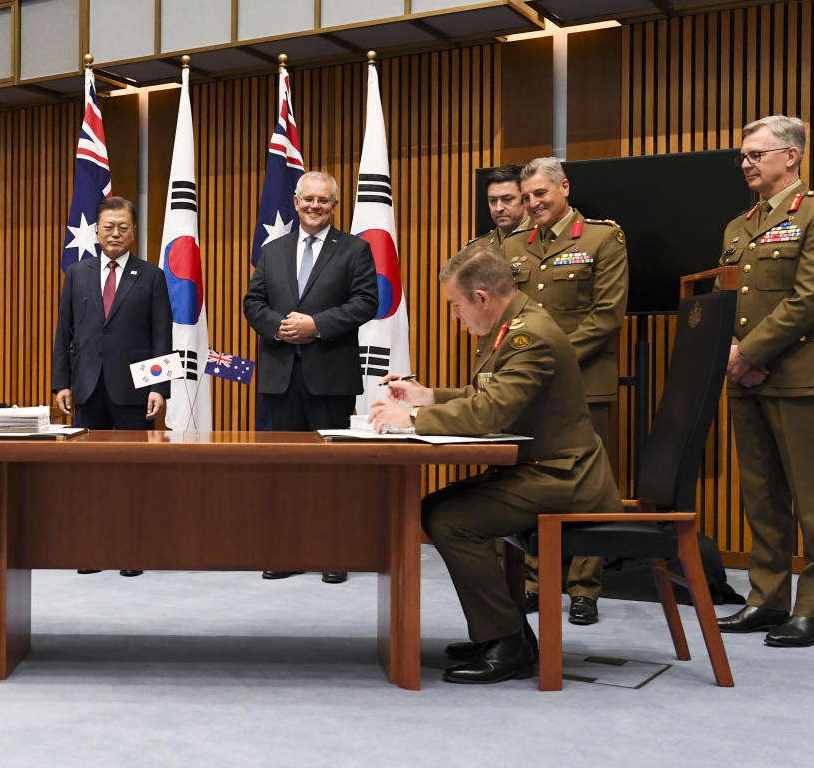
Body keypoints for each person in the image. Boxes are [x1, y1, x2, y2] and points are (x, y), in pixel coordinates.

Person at [369, 244, 621, 684]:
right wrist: (426, 396)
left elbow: (490, 414)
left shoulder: (530, 335)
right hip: (539, 469)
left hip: (564, 476)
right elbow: (486, 396)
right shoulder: (511, 327)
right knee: (435, 509)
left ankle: (508, 640)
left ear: (482, 298)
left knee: (449, 518)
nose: (454, 316)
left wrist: (411, 419)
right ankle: (501, 632)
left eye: (456, 305)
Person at [715, 115, 814, 648]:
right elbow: (729, 299)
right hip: (745, 378)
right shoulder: (737, 225)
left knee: (813, 500)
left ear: (790, 156)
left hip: (800, 376)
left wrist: (748, 353)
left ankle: (813, 610)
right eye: (743, 156)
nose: (746, 163)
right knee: (762, 495)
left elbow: (813, 297)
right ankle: (767, 599)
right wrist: (732, 355)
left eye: (756, 154)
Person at [498, 156, 628, 625]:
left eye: (540, 194)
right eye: (526, 196)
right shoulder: (513, 245)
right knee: (532, 484)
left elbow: (606, 316)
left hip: (584, 386)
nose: (532, 204)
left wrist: (545, 361)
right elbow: (502, 318)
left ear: (564, 188)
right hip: (526, 391)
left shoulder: (601, 238)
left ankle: (585, 588)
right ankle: (536, 581)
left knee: (588, 489)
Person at [243, 170, 379, 584]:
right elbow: (253, 302)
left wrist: (315, 324)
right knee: (284, 469)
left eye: (324, 201)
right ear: (296, 202)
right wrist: (277, 325)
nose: (316, 207)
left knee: (330, 469)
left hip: (330, 378)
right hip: (280, 377)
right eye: (309, 200)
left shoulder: (355, 249)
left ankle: (333, 552)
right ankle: (287, 551)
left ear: (334, 206)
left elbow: (366, 302)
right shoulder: (274, 250)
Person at [51, 196, 172, 577]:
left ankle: (131, 549)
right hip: (87, 387)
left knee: (132, 470)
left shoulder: (151, 275)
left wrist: (160, 388)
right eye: (108, 227)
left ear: (134, 231)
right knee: (89, 472)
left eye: (123, 227)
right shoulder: (77, 274)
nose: (115, 234)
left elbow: (161, 334)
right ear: (97, 231)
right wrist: (61, 383)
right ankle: (92, 547)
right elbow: (64, 332)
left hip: (134, 388)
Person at [477, 164, 532, 247]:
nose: (499, 208)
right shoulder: (475, 249)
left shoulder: (544, 239)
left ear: (525, 199)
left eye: (507, 199)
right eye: (493, 200)